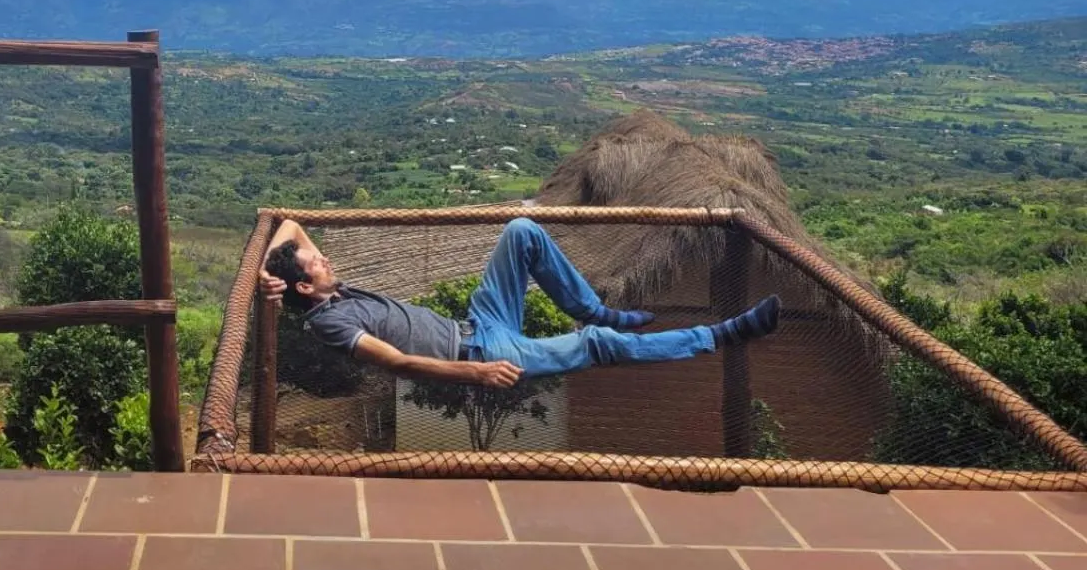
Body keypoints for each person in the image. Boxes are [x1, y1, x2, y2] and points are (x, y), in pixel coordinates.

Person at [259, 216, 780, 388]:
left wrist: (267, 270)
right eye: (315, 265)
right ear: (307, 288)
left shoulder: (323, 286)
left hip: (479, 325)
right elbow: (399, 363)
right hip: (481, 358)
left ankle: (590, 306)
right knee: (598, 345)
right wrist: (475, 376)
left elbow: (291, 228)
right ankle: (721, 335)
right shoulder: (332, 322)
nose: (323, 258)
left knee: (522, 231)